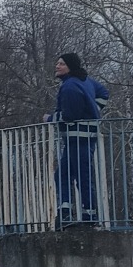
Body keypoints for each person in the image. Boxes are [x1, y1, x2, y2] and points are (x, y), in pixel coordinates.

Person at [51, 52, 100, 225]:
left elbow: (70, 115)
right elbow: (103, 92)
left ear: (70, 67)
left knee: (81, 176)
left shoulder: (70, 86)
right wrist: (94, 109)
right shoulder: (85, 81)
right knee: (64, 175)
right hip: (78, 139)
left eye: (61, 64)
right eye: (58, 63)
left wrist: (50, 118)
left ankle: (88, 216)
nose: (57, 66)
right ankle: (67, 212)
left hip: (78, 139)